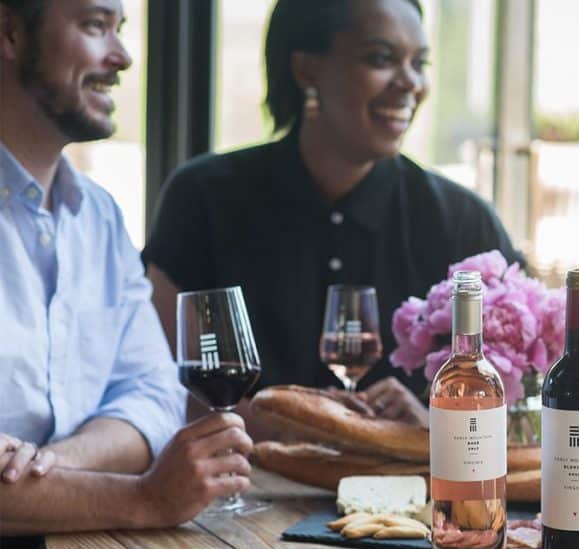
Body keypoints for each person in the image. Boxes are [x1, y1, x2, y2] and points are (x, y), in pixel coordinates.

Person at [142, 0, 523, 429]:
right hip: (244, 484)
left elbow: (523, 405)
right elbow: (156, 379)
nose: (410, 83)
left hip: (416, 489)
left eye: (420, 62)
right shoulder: (203, 196)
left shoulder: (461, 219)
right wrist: (287, 427)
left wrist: (436, 428)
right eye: (380, 59)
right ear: (307, 70)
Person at [0, 0, 252, 549]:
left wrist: (49, 468)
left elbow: (152, 394)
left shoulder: (103, 219)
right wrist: (144, 498)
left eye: (121, 29)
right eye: (94, 26)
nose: (122, 56)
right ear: (9, 31)